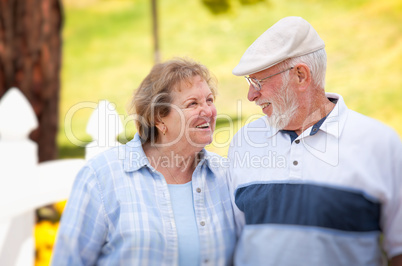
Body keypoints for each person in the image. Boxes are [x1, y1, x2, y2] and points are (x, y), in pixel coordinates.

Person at [227, 16, 402, 265]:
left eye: (258, 82)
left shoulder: (380, 144)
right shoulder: (244, 142)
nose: (251, 95)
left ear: (300, 75)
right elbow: (231, 241)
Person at [51, 58, 236, 265]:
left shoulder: (225, 175)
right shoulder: (102, 176)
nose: (208, 111)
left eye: (209, 101)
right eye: (193, 103)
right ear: (159, 118)